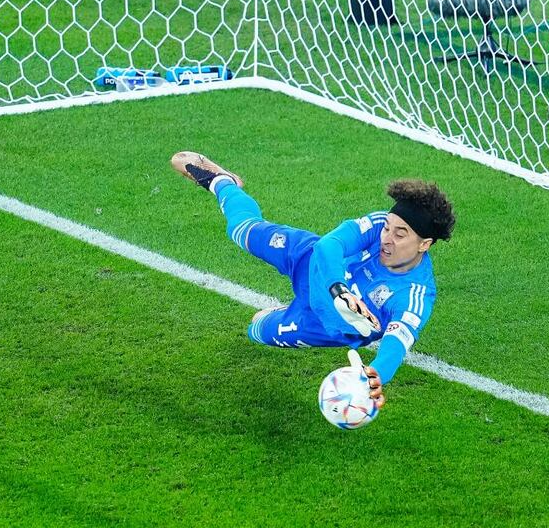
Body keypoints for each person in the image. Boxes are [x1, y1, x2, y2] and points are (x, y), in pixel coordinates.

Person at [170, 151, 455, 406]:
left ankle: (285, 313)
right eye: (389, 228)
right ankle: (222, 182)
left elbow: (397, 341)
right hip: (315, 263)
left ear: (424, 244)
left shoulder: (415, 295)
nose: (387, 238)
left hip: (322, 323)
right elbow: (329, 245)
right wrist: (338, 289)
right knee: (243, 230)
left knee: (257, 330)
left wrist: (377, 375)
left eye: (400, 234)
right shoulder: (381, 223)